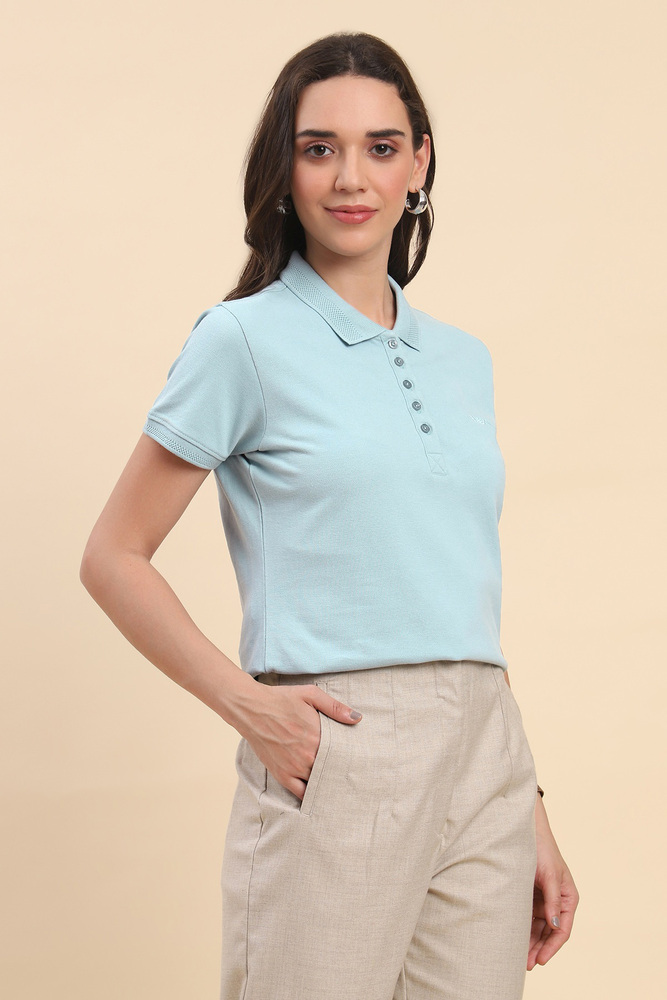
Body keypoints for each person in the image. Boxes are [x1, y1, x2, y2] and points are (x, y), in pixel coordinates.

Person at [80, 31, 579, 1000]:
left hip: (487, 754)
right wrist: (251, 706)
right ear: (286, 166)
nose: (351, 177)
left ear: (418, 163)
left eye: (380, 147)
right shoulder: (242, 339)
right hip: (340, 742)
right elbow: (113, 554)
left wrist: (528, 802)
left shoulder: (462, 358)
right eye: (319, 148)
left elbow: (456, 583)